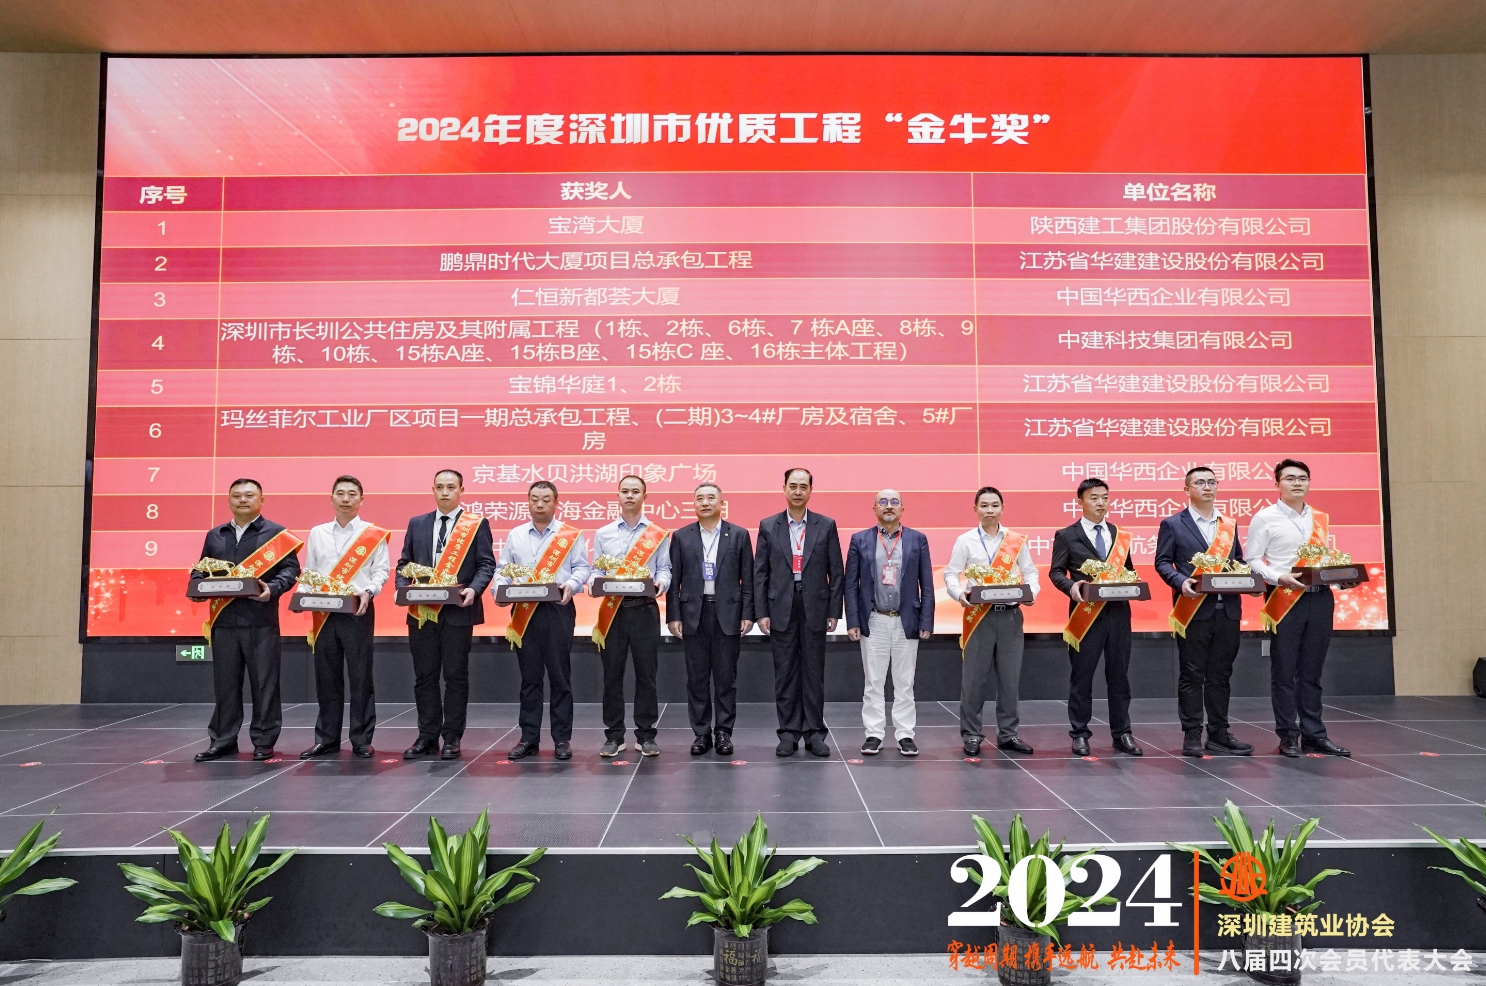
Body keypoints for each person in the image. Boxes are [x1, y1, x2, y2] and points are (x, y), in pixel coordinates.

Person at [1246, 458, 1351, 758]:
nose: (1297, 483)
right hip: (1285, 598)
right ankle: (1288, 735)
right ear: (1277, 483)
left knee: (1312, 671)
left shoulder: (1320, 518)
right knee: (1285, 671)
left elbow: (1322, 559)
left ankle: (1315, 734)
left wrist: (1341, 578)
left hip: (1320, 598)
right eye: (1290, 478)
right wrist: (1278, 577)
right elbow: (1252, 559)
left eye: (1302, 478)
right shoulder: (1264, 518)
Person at [193, 478, 302, 762]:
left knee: (264, 685)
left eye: (249, 495)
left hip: (260, 620)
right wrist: (196, 588)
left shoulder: (276, 534)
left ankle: (264, 741)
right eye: (237, 495)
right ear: (229, 500)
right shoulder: (215, 535)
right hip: (224, 621)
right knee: (225, 685)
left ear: (261, 500)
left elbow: (291, 571)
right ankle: (223, 740)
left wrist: (272, 589)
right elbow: (201, 569)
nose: (243, 499)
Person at [394, 469, 496, 761]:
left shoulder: (475, 525)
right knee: (424, 676)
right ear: (433, 490)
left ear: (461, 490)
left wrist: (474, 590)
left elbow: (486, 564)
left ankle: (452, 736)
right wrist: (402, 589)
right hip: (422, 613)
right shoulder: (417, 523)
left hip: (458, 612)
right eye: (440, 487)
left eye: (451, 487)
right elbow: (404, 564)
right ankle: (426, 736)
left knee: (455, 676)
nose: (445, 492)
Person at [1153, 467, 1254, 758]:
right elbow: (1162, 562)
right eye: (1200, 482)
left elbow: (1237, 561)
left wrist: (1250, 581)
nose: (1207, 487)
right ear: (1187, 489)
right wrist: (1180, 581)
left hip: (1228, 610)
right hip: (1193, 609)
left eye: (1212, 482)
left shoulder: (1229, 525)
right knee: (1192, 674)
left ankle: (1219, 733)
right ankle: (1192, 733)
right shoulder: (1173, 524)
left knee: (1221, 675)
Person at [496, 481, 590, 761]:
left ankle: (562, 739)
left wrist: (570, 585)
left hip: (557, 610)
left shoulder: (569, 535)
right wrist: (499, 592)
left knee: (560, 677)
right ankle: (529, 738)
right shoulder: (515, 535)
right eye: (535, 499)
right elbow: (503, 570)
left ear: (556, 502)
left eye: (546, 499)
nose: (540, 504)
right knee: (530, 678)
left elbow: (582, 567)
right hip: (524, 612)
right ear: (528, 501)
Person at [1049, 478, 1143, 758]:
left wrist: (1134, 583)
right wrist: (1072, 587)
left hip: (1118, 613)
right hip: (1085, 614)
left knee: (1120, 675)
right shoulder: (1067, 535)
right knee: (1082, 677)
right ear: (1080, 501)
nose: (1101, 503)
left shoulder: (1119, 535)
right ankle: (1080, 734)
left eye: (1105, 498)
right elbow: (1056, 572)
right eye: (1094, 498)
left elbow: (1128, 570)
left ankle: (1122, 733)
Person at [299, 475, 391, 760]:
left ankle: (361, 739)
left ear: (361, 499)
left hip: (357, 610)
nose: (346, 499)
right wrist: (301, 595)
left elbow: (381, 571)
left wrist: (369, 591)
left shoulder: (372, 533)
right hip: (324, 613)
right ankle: (326, 738)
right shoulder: (317, 533)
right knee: (326, 676)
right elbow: (310, 571)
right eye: (340, 493)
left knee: (360, 676)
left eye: (352, 494)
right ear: (331, 498)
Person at [754, 468, 844, 757]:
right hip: (780, 606)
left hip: (815, 606)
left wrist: (834, 610)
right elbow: (760, 573)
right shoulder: (768, 526)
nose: (797, 491)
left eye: (803, 486)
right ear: (784, 489)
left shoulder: (825, 525)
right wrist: (761, 612)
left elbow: (836, 571)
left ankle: (815, 733)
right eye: (792, 486)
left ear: (810, 491)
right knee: (785, 673)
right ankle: (789, 733)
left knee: (813, 673)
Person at [944, 486, 1039, 757]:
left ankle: (1008, 735)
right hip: (978, 616)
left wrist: (1031, 593)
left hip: (1010, 616)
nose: (989, 510)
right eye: (984, 505)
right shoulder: (965, 540)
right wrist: (959, 593)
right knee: (974, 680)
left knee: (1010, 680)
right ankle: (972, 735)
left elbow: (1030, 572)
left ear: (1002, 508)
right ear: (975, 509)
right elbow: (951, 574)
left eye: (994, 505)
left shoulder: (1015, 540)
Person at [667, 482, 754, 757]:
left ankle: (724, 732)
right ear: (694, 504)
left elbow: (748, 579)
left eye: (710, 498)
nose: (705, 503)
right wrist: (673, 615)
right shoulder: (681, 536)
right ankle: (701, 733)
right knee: (697, 678)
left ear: (721, 503)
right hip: (694, 613)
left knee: (726, 678)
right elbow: (674, 581)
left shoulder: (738, 535)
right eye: (700, 499)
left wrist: (747, 613)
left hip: (728, 613)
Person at [843, 489, 933, 757]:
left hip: (907, 621)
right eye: (883, 502)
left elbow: (927, 584)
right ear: (874, 509)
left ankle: (905, 735)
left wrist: (926, 620)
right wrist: (853, 620)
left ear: (902, 509)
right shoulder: (860, 539)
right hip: (874, 620)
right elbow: (851, 585)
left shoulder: (917, 539)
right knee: (873, 682)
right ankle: (874, 734)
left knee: (905, 683)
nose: (889, 506)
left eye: (895, 502)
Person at [589, 475, 671, 758]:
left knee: (646, 674)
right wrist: (594, 583)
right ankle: (614, 736)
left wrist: (661, 583)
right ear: (618, 496)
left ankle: (646, 735)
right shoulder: (603, 533)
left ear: (644, 497)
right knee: (612, 675)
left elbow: (664, 569)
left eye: (636, 491)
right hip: (613, 611)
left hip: (644, 609)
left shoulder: (657, 533)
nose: (630, 496)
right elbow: (597, 570)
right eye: (625, 491)